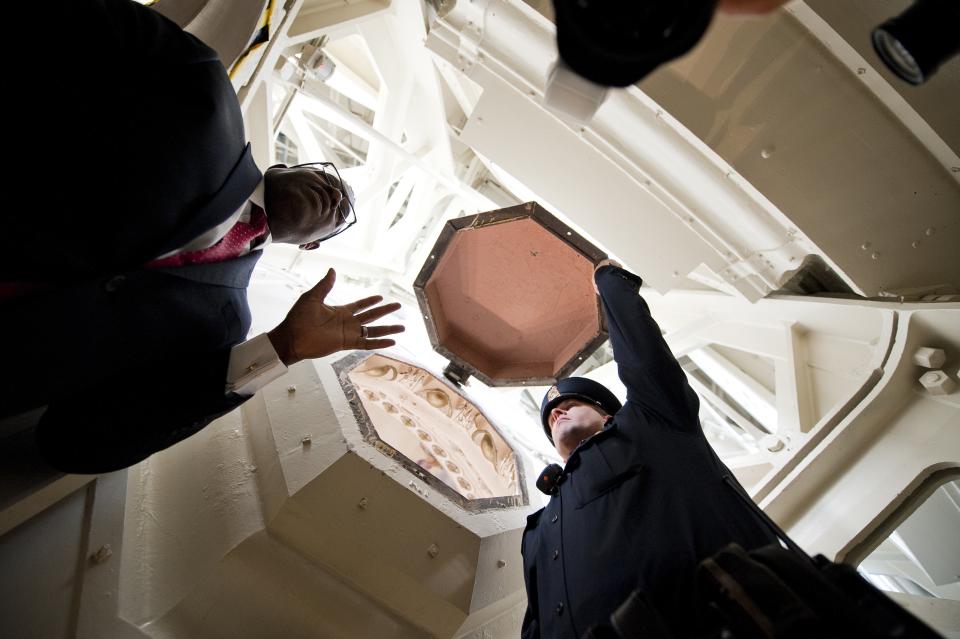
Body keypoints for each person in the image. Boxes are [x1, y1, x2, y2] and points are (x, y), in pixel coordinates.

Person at [0, 0, 403, 473]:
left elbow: (77, 442)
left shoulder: (223, 328)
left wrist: (281, 350)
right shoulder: (201, 94)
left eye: (343, 214)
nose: (337, 194)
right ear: (284, 166)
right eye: (331, 177)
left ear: (310, 246)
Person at [520, 260, 778, 638]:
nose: (556, 411)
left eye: (571, 404)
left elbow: (642, 353)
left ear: (610, 415)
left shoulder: (651, 422)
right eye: (550, 418)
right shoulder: (536, 530)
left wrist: (608, 280)